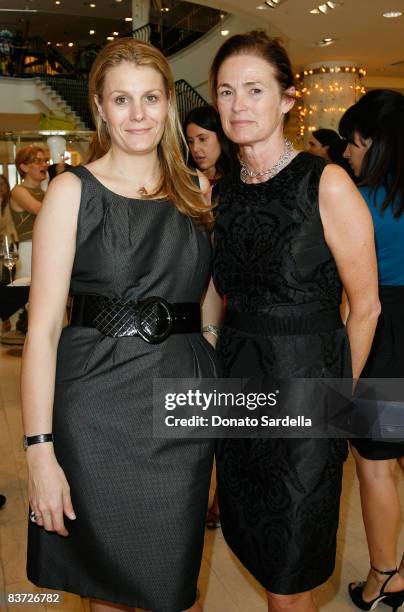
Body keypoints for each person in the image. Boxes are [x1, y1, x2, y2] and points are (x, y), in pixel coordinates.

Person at [22, 38, 221, 612]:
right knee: (107, 589)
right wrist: (40, 451)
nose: (138, 114)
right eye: (123, 99)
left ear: (168, 106)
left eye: (151, 98)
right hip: (96, 411)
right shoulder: (70, 192)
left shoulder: (197, 190)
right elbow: (42, 333)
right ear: (101, 108)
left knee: (169, 587)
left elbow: (204, 304)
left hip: (181, 408)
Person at [209, 31, 380, 612]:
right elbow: (218, 296)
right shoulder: (222, 193)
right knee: (257, 549)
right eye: (227, 92)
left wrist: (341, 404)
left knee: (289, 572)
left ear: (287, 99)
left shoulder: (324, 183)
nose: (238, 106)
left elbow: (367, 306)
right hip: (238, 394)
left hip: (308, 395)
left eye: (254, 90)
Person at [339, 89, 404, 612]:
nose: (346, 154)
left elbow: (353, 301)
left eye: (353, 144)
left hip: (381, 334)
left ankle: (385, 575)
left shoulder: (360, 203)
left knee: (377, 465)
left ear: (376, 143)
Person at [10, 145, 47, 279]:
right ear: (24, 167)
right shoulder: (18, 191)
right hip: (29, 248)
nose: (44, 165)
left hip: (47, 246)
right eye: (38, 161)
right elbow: (42, 211)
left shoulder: (45, 192)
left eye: (45, 161)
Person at [184, 104, 236, 186]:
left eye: (202, 139)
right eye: (190, 141)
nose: (195, 149)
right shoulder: (186, 181)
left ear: (221, 137)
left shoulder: (240, 179)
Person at [0, 174, 17, 334]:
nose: (1, 188)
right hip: (5, 245)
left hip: (12, 245)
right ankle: (5, 318)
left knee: (8, 280)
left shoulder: (10, 202)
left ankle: (7, 318)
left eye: (3, 185)